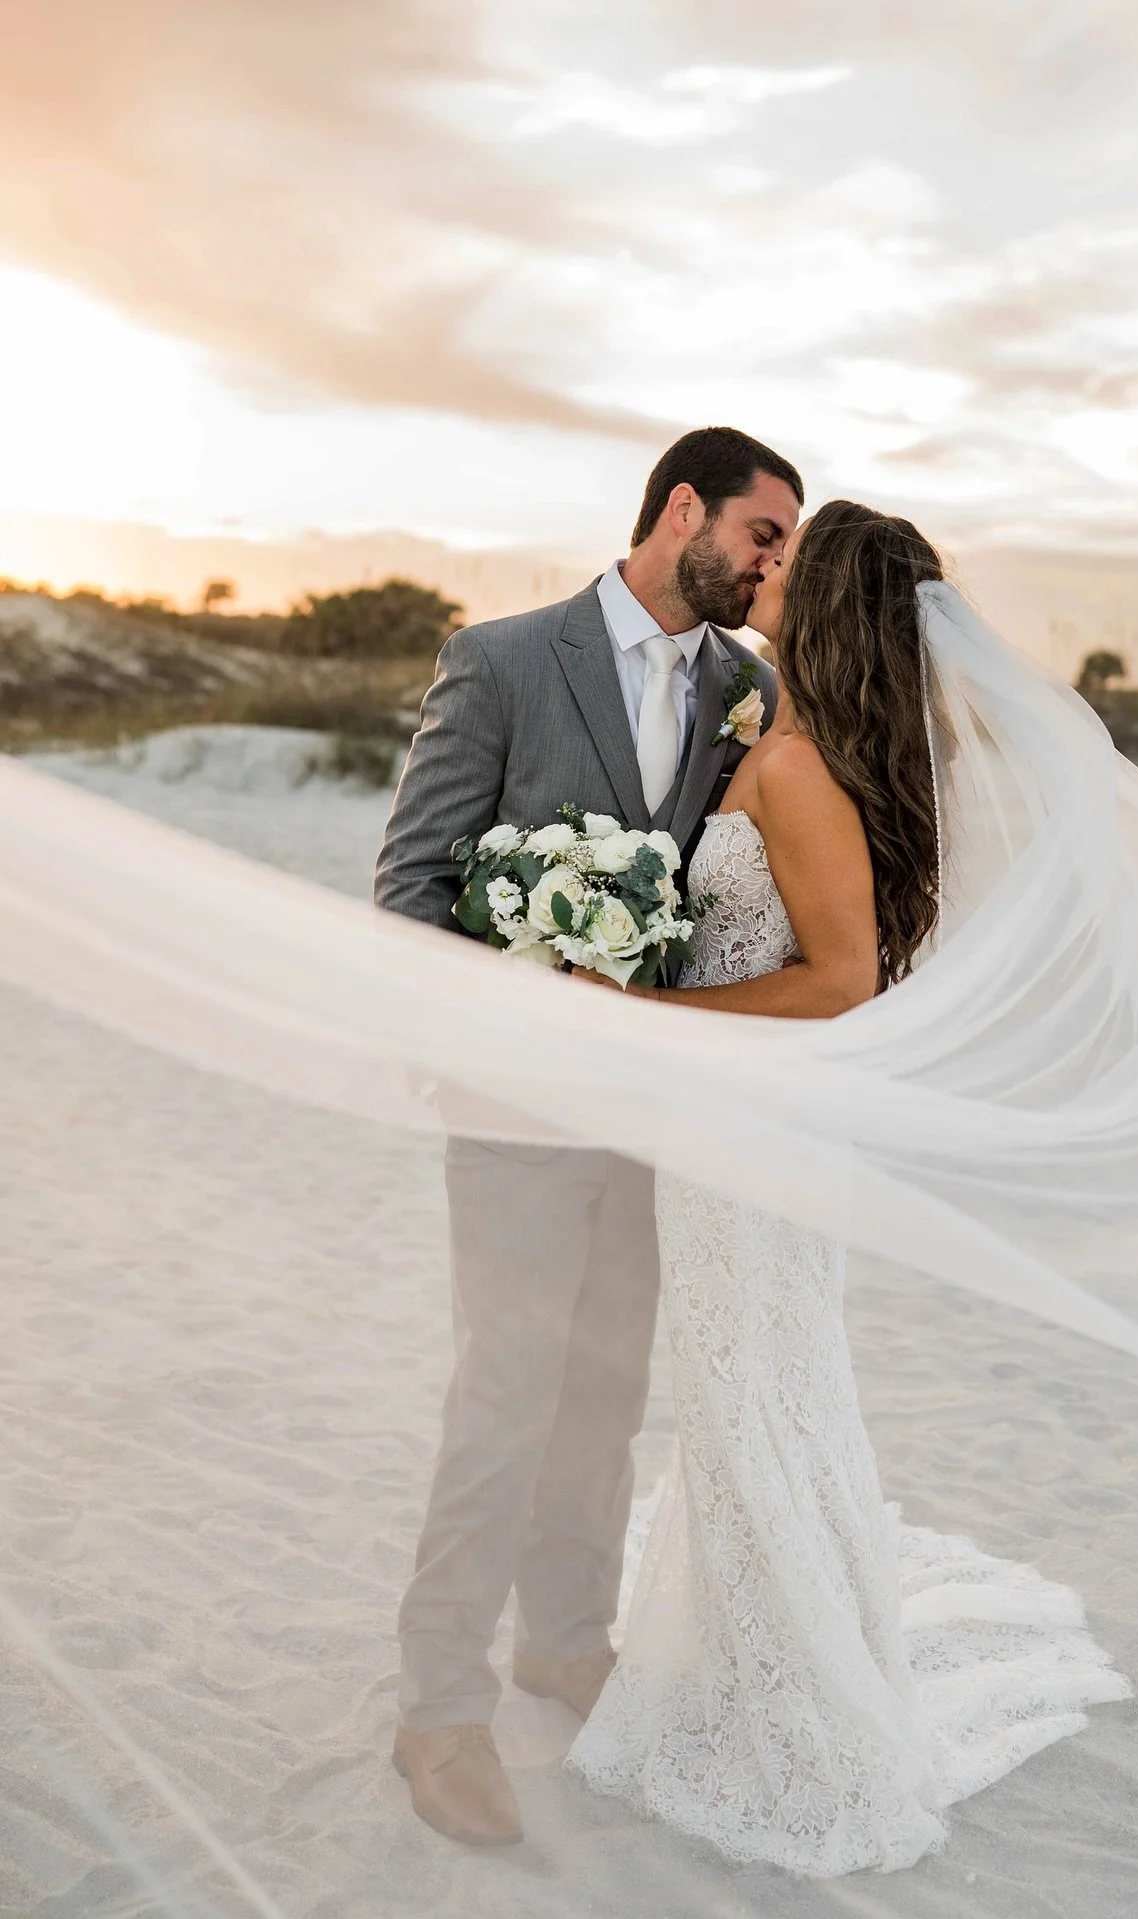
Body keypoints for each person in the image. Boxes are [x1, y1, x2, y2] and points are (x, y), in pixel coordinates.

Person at [565, 502, 1129, 1873]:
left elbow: (836, 982)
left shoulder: (806, 767)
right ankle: (764, 1666)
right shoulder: (796, 741)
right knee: (759, 1389)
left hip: (752, 1140)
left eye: (785, 563)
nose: (762, 571)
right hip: (746, 1134)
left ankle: (797, 1711)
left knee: (752, 1392)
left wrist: (643, 1020)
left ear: (823, 605)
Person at [374, 426, 801, 1845]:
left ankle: (564, 1639)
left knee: (609, 1390)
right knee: (504, 1391)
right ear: (682, 508)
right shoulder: (500, 659)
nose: (771, 564)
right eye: (762, 532)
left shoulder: (746, 689)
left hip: (651, 1118)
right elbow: (411, 888)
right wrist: (524, 1001)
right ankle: (439, 1706)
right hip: (511, 1107)